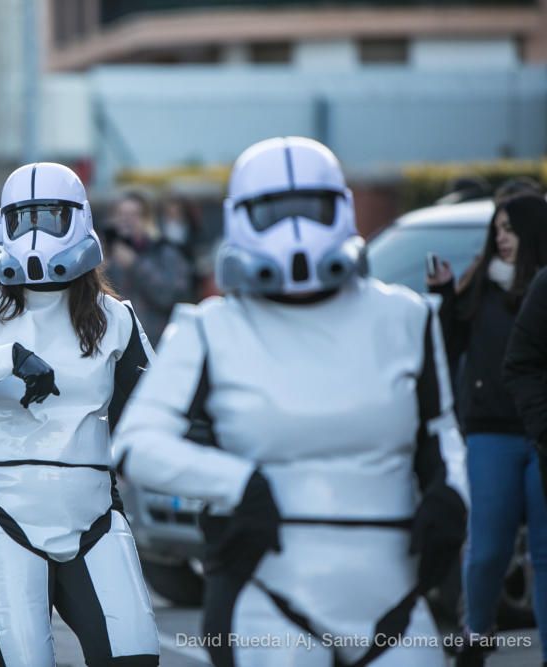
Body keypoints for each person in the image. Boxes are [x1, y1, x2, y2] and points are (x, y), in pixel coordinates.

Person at [112, 137, 468, 667]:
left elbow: (442, 435)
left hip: (396, 599)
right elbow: (136, 446)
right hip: (268, 600)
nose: (293, 230)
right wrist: (236, 484)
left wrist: (453, 498)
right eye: (274, 212)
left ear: (341, 207)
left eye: (309, 208)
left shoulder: (408, 319)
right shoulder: (210, 329)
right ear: (240, 218)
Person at [0, 162, 160, 667]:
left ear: (79, 219)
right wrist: (7, 356)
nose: (34, 233)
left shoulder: (118, 317)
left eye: (50, 217)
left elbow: (159, 413)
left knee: (134, 658)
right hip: (1, 510)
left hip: (93, 509)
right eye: (22, 218)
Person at [428, 194, 547, 667]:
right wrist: (444, 297)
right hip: (491, 432)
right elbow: (447, 346)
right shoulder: (479, 287)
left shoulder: (541, 288)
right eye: (496, 228)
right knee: (487, 550)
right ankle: (476, 633)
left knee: (544, 553)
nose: (501, 237)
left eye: (510, 228)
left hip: (541, 435)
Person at [103, 190, 192, 341]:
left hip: (157, 343)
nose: (126, 221)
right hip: (117, 343)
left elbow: (171, 296)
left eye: (133, 215)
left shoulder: (164, 252)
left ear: (147, 219)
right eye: (121, 215)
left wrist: (135, 265)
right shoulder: (105, 254)